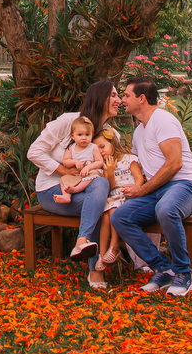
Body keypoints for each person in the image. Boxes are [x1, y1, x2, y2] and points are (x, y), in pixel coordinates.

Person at [111, 77, 192, 298]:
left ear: (142, 98)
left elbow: (175, 163)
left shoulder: (163, 120)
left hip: (186, 185)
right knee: (121, 217)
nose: (123, 100)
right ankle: (163, 268)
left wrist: (143, 190)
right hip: (159, 189)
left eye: (127, 95)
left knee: (166, 209)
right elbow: (140, 169)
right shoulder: (138, 132)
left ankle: (184, 273)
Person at [27, 80, 121, 290]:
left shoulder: (109, 135)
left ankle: (82, 242)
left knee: (101, 187)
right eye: (114, 95)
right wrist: (64, 170)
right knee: (98, 204)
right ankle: (96, 272)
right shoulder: (69, 122)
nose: (119, 100)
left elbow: (107, 175)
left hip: (89, 188)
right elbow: (33, 152)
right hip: (53, 190)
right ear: (100, 98)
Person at [91, 129, 143, 270]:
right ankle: (102, 255)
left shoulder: (129, 159)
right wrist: (110, 171)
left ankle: (114, 246)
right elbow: (110, 186)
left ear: (113, 143)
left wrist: (135, 190)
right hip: (113, 196)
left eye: (103, 146)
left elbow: (139, 178)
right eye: (97, 149)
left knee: (113, 210)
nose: (101, 151)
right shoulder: (104, 165)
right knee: (105, 218)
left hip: (128, 196)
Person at [53, 116, 105, 203]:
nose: (84, 138)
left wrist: (88, 168)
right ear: (73, 136)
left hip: (89, 173)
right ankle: (66, 196)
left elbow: (100, 162)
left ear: (92, 135)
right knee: (63, 180)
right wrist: (74, 161)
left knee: (95, 173)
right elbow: (65, 161)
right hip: (76, 174)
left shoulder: (93, 147)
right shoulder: (71, 148)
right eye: (80, 135)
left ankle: (76, 189)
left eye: (87, 135)